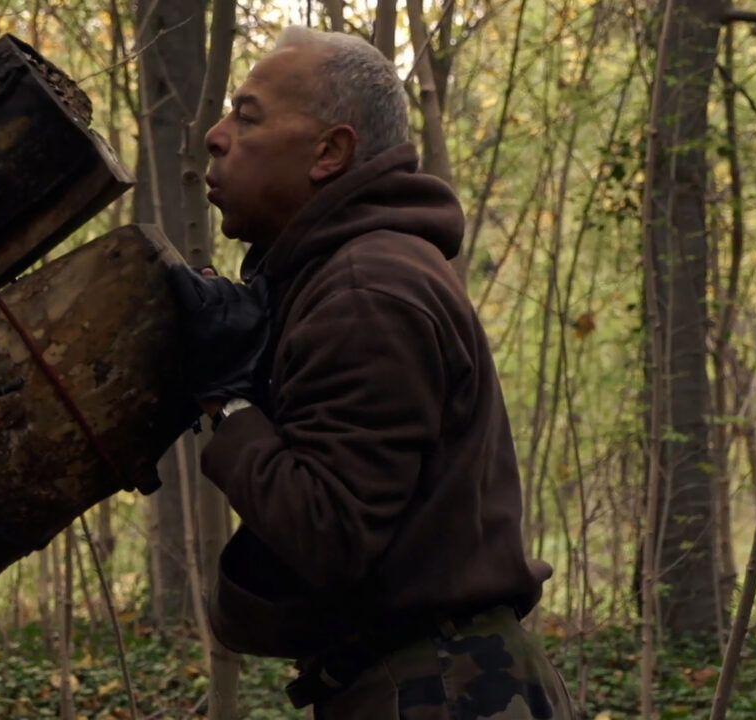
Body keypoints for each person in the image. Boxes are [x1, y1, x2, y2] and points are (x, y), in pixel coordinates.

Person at [165, 27, 576, 719]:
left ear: (330, 152)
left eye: (248, 116)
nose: (215, 135)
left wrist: (228, 401)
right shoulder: (348, 275)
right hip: (435, 683)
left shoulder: (366, 289)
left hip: (442, 694)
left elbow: (329, 532)